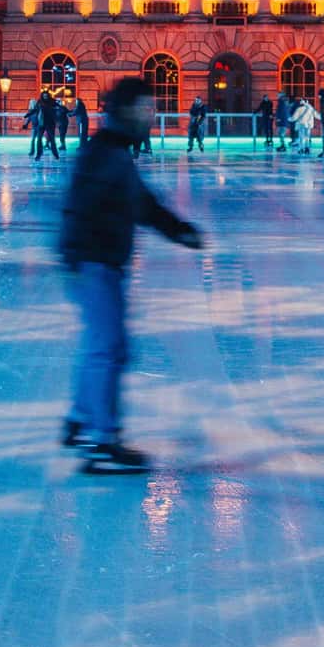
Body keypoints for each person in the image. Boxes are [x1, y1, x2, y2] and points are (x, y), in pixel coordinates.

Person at [58, 77, 204, 473]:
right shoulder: (106, 155)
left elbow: (143, 204)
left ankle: (81, 417)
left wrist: (178, 230)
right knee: (109, 349)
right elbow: (77, 208)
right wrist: (75, 258)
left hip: (98, 264)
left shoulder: (113, 153)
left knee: (103, 346)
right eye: (145, 108)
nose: (151, 115)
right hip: (96, 264)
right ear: (124, 111)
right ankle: (102, 441)